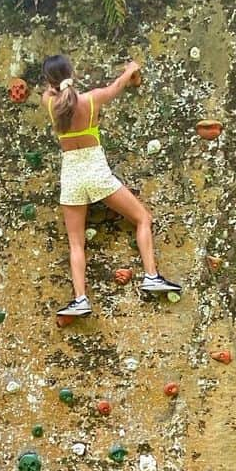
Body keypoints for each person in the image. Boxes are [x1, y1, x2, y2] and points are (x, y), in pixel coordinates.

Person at [41, 53, 181, 318]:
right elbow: (117, 86)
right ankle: (151, 275)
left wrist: (53, 85)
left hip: (71, 176)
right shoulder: (91, 100)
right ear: (72, 72)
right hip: (96, 173)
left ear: (49, 81)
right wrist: (131, 70)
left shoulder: (49, 103)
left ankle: (80, 298)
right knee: (142, 218)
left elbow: (52, 91)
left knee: (76, 243)